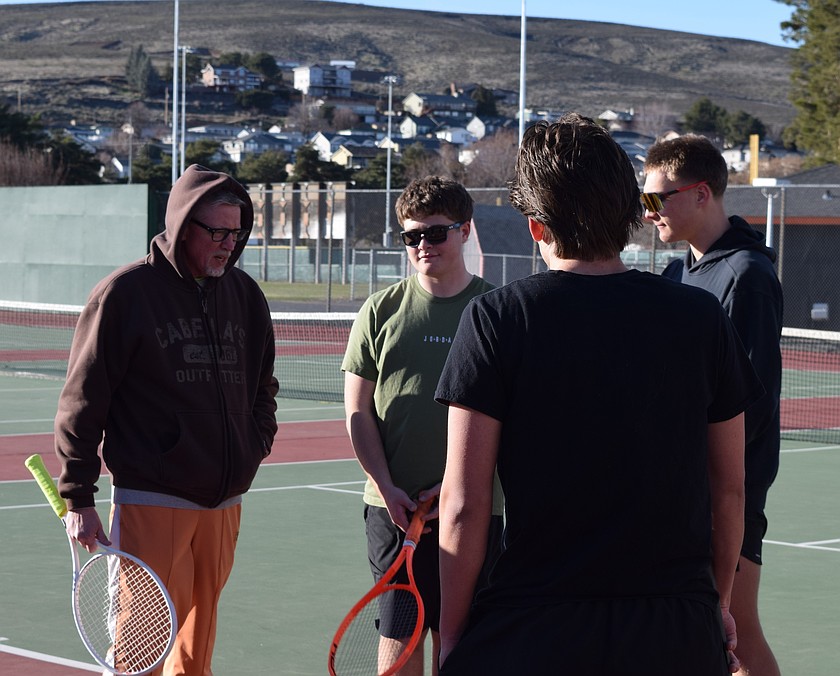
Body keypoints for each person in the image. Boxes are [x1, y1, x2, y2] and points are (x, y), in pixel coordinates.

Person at [435, 114, 764, 675]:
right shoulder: (699, 316)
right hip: (675, 628)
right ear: (632, 214)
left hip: (537, 626)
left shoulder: (498, 317)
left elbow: (464, 504)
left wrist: (452, 638)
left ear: (537, 228)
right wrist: (716, 604)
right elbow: (729, 489)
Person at [54, 164, 279, 676]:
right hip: (153, 499)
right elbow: (83, 401)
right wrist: (79, 496)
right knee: (140, 648)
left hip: (226, 501)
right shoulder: (126, 294)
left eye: (236, 232)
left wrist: (254, 442)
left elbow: (264, 385)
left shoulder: (245, 296)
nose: (227, 243)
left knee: (197, 651)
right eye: (216, 231)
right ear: (181, 225)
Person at [341, 175, 503, 676]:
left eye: (435, 232)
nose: (423, 245)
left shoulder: (498, 309)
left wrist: (460, 485)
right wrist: (385, 487)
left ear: (465, 231)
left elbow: (517, 418)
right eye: (411, 236)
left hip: (476, 514)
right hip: (394, 515)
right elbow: (357, 413)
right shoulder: (380, 310)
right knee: (400, 650)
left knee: (465, 650)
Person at [643, 134, 783, 676]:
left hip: (727, 493)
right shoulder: (678, 273)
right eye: (644, 201)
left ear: (702, 194)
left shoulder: (747, 277)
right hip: (681, 487)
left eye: (658, 198)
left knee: (736, 634)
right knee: (698, 634)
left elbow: (750, 406)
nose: (648, 212)